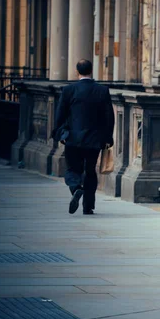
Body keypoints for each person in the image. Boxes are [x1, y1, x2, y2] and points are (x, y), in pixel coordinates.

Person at [53, 59, 114, 215]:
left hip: (73, 138)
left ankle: (75, 188)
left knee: (73, 169)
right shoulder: (102, 90)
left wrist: (58, 133)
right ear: (91, 71)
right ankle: (88, 206)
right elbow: (109, 117)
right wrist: (108, 138)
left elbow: (60, 114)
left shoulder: (69, 90)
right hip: (94, 139)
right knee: (90, 170)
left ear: (77, 72)